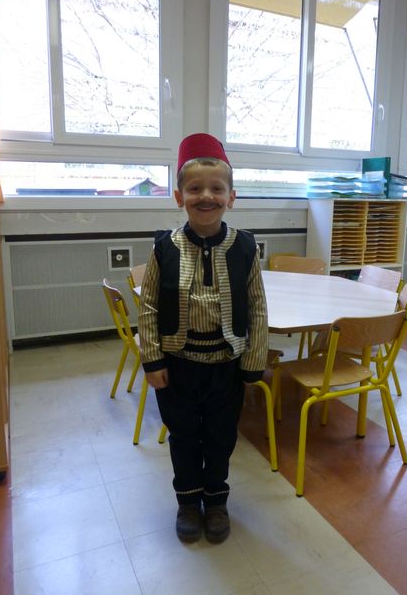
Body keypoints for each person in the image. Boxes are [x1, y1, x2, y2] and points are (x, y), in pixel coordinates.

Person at [138, 132, 269, 544]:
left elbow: (257, 306)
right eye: (195, 189)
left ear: (232, 197)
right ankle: (186, 501)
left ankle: (215, 502)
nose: (206, 196)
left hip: (226, 367)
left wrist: (254, 362)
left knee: (221, 435)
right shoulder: (164, 247)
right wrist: (153, 361)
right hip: (178, 367)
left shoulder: (245, 247)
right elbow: (149, 307)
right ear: (179, 196)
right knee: (183, 437)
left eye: (217, 188)